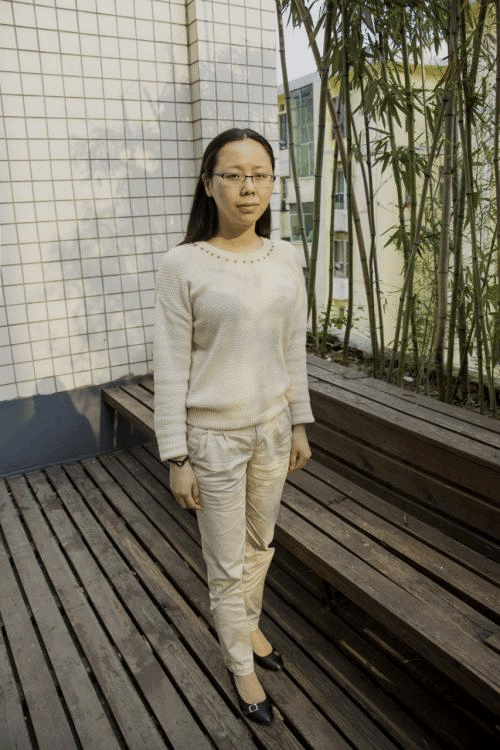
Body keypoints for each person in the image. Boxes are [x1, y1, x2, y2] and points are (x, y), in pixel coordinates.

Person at [153, 128, 314, 725]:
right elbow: (171, 364)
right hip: (213, 439)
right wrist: (177, 456)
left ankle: (248, 625)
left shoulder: (286, 257)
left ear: (272, 183)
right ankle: (239, 663)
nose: (249, 187)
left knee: (259, 546)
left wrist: (299, 423)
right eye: (234, 175)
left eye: (260, 175)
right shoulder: (183, 264)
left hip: (273, 430)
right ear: (208, 184)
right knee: (225, 562)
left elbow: (292, 348)